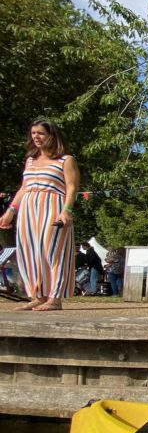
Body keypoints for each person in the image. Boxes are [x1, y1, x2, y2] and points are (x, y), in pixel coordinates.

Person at [0, 119, 78, 311]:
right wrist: (11, 211)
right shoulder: (31, 160)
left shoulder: (65, 160)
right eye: (33, 133)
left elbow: (72, 187)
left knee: (53, 251)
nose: (36, 136)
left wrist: (66, 211)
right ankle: (38, 295)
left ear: (52, 135)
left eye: (40, 133)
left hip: (52, 205)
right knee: (30, 251)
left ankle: (55, 298)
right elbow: (24, 187)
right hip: (28, 208)